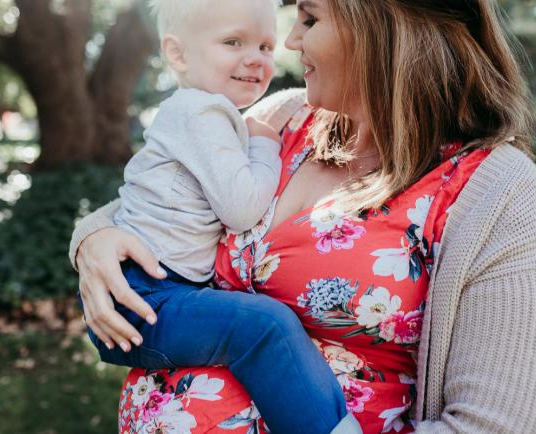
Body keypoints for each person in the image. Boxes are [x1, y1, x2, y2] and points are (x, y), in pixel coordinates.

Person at [70, 0, 536, 432]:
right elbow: (169, 191)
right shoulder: (284, 119)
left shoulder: (496, 193)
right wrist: (94, 239)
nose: (289, 40)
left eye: (309, 17)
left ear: (385, 22)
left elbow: (506, 423)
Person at [76, 0, 359, 432]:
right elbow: (242, 209)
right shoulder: (201, 112)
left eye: (265, 46)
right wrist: (263, 144)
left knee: (260, 325)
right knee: (265, 326)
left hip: (154, 292)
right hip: (143, 297)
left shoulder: (209, 113)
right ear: (177, 53)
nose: (257, 58)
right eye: (233, 42)